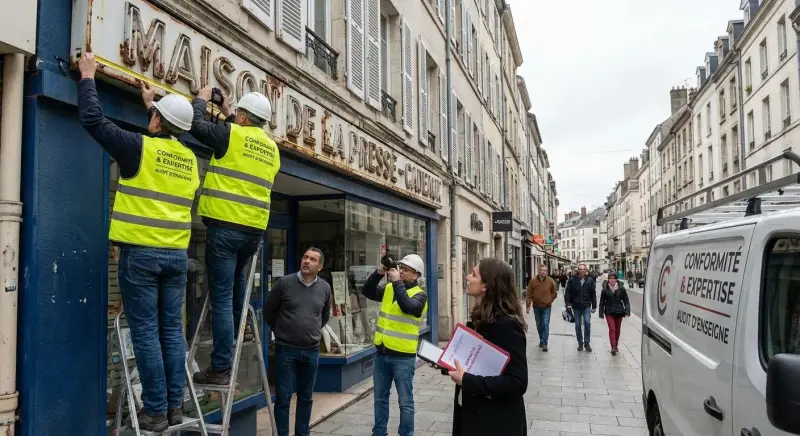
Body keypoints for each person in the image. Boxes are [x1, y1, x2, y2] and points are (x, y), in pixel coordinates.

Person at [78, 52, 199, 431]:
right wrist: (153, 106)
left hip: (141, 257)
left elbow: (93, 120)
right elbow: (165, 141)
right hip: (176, 258)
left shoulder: (138, 148)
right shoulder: (190, 161)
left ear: (157, 121)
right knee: (171, 331)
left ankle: (155, 411)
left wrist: (87, 76)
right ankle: (175, 407)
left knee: (145, 332)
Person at [189, 86, 281, 386]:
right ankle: (245, 328)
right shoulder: (272, 149)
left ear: (243, 117)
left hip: (225, 228)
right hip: (253, 233)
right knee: (237, 284)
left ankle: (220, 367)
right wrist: (229, 112)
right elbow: (241, 142)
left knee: (221, 298)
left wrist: (201, 99)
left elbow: (196, 126)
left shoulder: (231, 135)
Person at [449, 258, 528, 436]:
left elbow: (517, 382)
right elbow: (475, 363)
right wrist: (445, 361)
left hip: (495, 422)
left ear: (486, 285)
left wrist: (467, 380)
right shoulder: (480, 318)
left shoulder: (507, 325)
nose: (467, 277)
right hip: (474, 416)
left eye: (473, 274)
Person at [264, 248, 331, 436]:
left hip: (311, 350)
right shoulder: (284, 283)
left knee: (306, 398)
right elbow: (269, 311)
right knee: (283, 398)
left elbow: (324, 316)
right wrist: (282, 331)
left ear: (320, 266)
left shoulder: (325, 288)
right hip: (286, 349)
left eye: (313, 259)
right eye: (305, 257)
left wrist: (310, 331)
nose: (307, 261)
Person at [361, 254, 428, 436]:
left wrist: (397, 282)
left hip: (403, 358)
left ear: (416, 275)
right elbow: (367, 291)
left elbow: (408, 306)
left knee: (405, 403)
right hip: (382, 354)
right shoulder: (390, 288)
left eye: (406, 269)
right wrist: (379, 272)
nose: (401, 271)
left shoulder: (420, 295)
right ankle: (379, 433)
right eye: (401, 268)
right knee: (379, 399)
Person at [525, 264, 557, 351]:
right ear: (538, 271)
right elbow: (529, 294)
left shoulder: (550, 281)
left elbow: (554, 293)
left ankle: (545, 343)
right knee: (539, 325)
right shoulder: (533, 281)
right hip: (536, 307)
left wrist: (549, 300)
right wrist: (528, 306)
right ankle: (541, 340)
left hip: (547, 307)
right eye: (542, 270)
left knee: (545, 324)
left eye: (545, 270)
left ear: (547, 272)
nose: (543, 272)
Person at [565, 264, 597, 352]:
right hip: (576, 306)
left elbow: (593, 293)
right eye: (580, 269)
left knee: (587, 323)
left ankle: (587, 343)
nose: (582, 271)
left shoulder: (590, 280)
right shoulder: (572, 280)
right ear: (578, 270)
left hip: (586, 306)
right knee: (578, 325)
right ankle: (580, 342)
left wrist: (594, 306)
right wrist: (568, 303)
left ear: (586, 270)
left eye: (583, 269)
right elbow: (568, 292)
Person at [598, 274, 631, 355]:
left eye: (613, 278)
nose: (612, 280)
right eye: (610, 278)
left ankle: (616, 345)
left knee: (617, 329)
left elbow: (626, 300)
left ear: (616, 279)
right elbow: (602, 302)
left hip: (619, 311)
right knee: (612, 329)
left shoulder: (621, 288)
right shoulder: (605, 289)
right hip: (609, 312)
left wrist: (627, 311)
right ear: (608, 280)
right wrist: (601, 313)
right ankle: (613, 347)